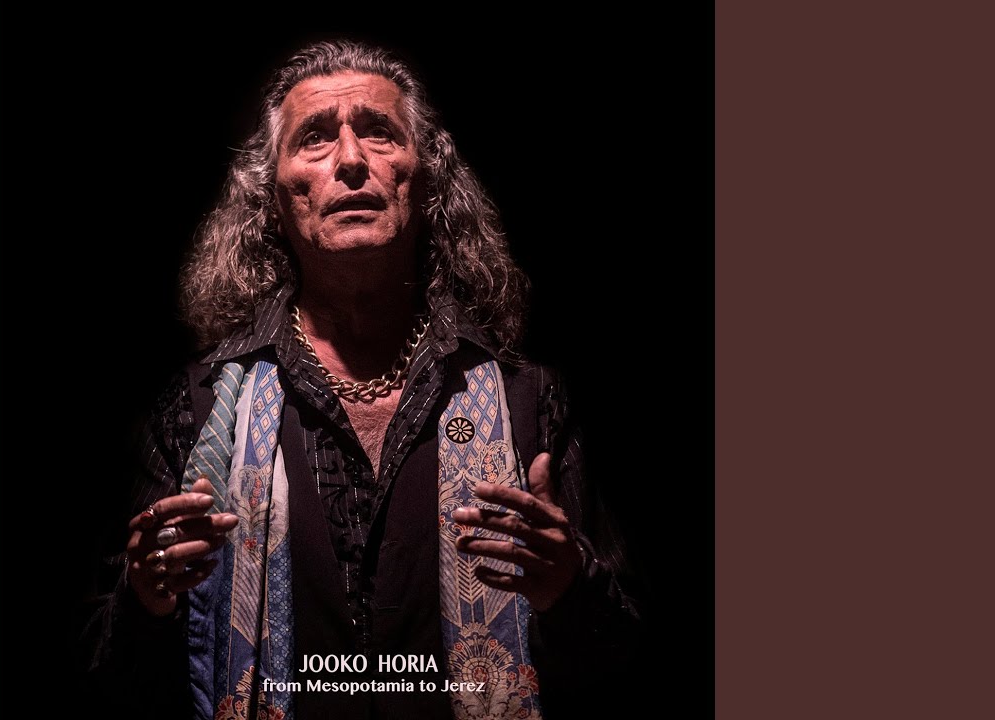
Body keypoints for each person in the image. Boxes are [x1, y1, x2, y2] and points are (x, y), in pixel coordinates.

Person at [80, 40, 643, 719]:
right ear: (271, 197)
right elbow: (110, 680)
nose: (350, 159)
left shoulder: (530, 401)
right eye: (314, 138)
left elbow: (626, 665)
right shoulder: (196, 411)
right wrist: (148, 598)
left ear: (425, 180)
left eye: (379, 131)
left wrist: (567, 587)